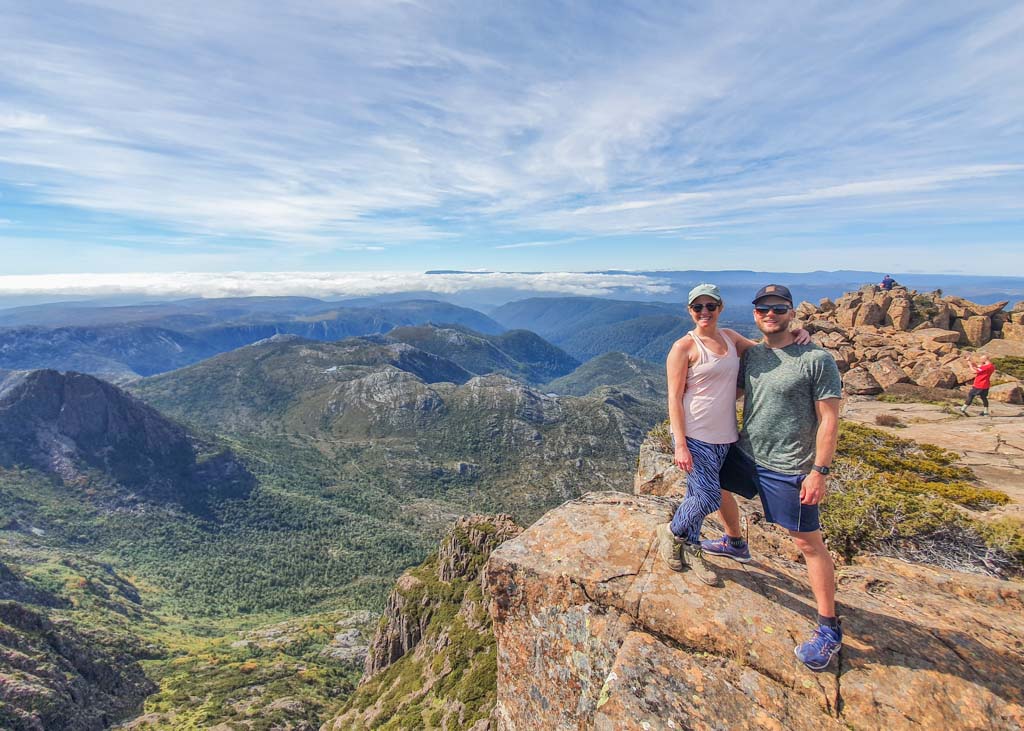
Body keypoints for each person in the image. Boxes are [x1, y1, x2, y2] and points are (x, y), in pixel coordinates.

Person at [700, 284, 844, 671]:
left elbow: (829, 420)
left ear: (792, 313)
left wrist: (818, 471)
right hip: (746, 451)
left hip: (789, 466)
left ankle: (828, 627)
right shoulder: (755, 355)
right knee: (716, 489)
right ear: (754, 314)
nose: (770, 314)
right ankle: (734, 542)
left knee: (807, 543)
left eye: (778, 309)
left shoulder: (816, 359)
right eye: (763, 309)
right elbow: (721, 348)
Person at [657, 283, 810, 585]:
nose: (704, 312)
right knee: (709, 496)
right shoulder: (683, 348)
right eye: (697, 307)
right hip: (696, 433)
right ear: (689, 311)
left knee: (699, 494)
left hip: (726, 435)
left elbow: (766, 352)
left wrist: (795, 334)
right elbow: (673, 398)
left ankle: (692, 544)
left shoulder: (730, 338)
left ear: (720, 308)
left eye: (710, 306)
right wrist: (680, 443)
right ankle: (675, 534)